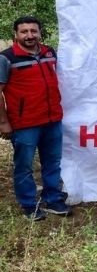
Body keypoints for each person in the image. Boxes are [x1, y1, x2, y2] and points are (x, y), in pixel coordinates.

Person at [0, 16, 71, 220]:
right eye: (24, 31)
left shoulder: (49, 53)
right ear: (16, 34)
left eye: (33, 31)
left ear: (40, 32)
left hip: (52, 120)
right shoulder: (7, 58)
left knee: (52, 162)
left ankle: (54, 199)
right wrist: (3, 122)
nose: (30, 35)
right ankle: (29, 205)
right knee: (24, 167)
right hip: (25, 124)